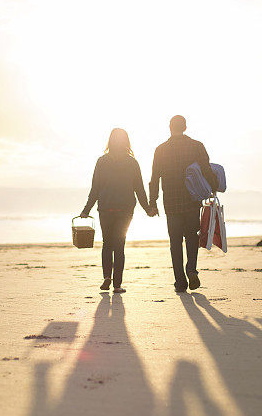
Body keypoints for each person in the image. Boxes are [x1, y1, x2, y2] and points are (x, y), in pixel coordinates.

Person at [80, 128, 155, 293]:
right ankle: (117, 284)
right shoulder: (132, 162)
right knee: (119, 245)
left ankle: (107, 276)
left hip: (106, 208)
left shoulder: (102, 161)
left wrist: (86, 210)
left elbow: (95, 188)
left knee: (107, 243)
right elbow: (139, 189)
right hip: (125, 209)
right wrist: (148, 208)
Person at [149, 115, 217, 292]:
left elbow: (154, 177)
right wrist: (215, 186)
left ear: (170, 127)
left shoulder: (161, 150)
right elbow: (207, 170)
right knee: (192, 237)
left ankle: (180, 281)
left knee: (175, 241)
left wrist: (152, 201)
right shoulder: (196, 146)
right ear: (185, 127)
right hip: (192, 200)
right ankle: (192, 269)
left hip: (171, 202)